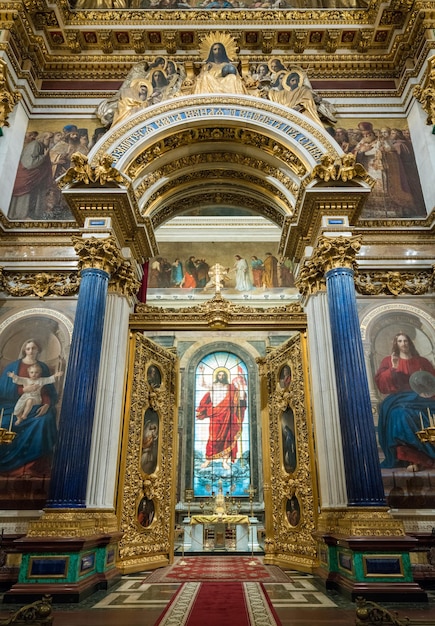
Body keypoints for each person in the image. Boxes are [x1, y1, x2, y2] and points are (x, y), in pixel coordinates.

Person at [375, 332, 435, 471]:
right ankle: (413, 458)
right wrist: (393, 368)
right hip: (399, 398)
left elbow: (432, 381)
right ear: (396, 344)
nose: (403, 344)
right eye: (400, 341)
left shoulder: (422, 361)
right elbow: (382, 384)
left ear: (410, 342)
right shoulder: (388, 361)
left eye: (406, 341)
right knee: (400, 413)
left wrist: (428, 390)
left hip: (422, 397)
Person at [0, 338, 59, 475]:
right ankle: (8, 466)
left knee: (45, 420)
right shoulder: (12, 367)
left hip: (37, 404)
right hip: (12, 405)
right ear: (24, 350)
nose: (31, 351)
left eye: (34, 348)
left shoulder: (42, 367)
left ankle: (34, 466)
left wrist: (46, 404)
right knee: (5, 423)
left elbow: (47, 390)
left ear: (38, 350)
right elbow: (3, 390)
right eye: (28, 348)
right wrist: (23, 391)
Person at [196, 364, 247, 471]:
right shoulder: (213, 386)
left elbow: (241, 397)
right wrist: (201, 372)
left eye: (223, 374)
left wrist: (241, 383)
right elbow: (202, 384)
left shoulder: (230, 387)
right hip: (215, 414)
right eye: (219, 374)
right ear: (216, 376)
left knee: (227, 438)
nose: (221, 376)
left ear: (225, 376)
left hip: (227, 415)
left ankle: (225, 461)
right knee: (213, 438)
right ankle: (208, 459)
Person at [9, 132, 53, 220]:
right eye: (49, 138)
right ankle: (21, 215)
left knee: (34, 197)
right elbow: (29, 163)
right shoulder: (35, 145)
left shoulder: (43, 147)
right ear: (43, 137)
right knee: (25, 196)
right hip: (27, 176)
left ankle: (29, 215)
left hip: (36, 177)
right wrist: (43, 156)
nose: (50, 141)